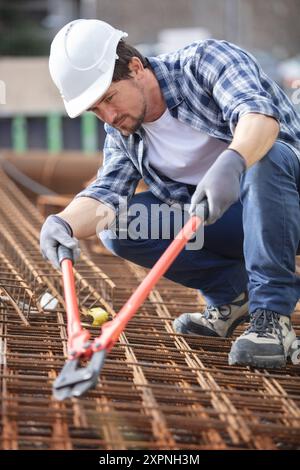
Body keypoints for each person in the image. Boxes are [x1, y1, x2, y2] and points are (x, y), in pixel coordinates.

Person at [40, 19, 300, 369]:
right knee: (120, 224)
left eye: (109, 98)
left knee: (268, 155)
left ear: (135, 67)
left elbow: (258, 117)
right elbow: (106, 195)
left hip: (288, 207)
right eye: (96, 109)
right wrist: (64, 223)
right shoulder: (124, 132)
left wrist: (234, 162)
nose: (109, 115)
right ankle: (233, 296)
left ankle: (272, 317)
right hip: (236, 222)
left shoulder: (204, 62)